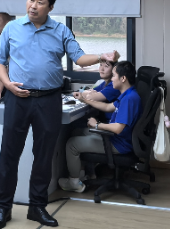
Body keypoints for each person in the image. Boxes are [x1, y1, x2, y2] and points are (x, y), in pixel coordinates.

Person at [0, 0, 118, 229]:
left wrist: (101, 56)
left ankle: (37, 207)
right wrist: (7, 84)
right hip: (17, 98)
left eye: (40, 2)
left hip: (48, 100)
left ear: (50, 7)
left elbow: (79, 58)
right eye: (31, 0)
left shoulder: (60, 30)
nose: (33, 6)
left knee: (44, 155)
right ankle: (2, 208)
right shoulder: (12, 28)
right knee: (9, 154)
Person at [59, 61, 141, 193]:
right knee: (78, 131)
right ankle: (83, 175)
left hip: (119, 144)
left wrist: (97, 125)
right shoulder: (127, 94)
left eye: (114, 75)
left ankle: (73, 182)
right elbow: (108, 107)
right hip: (119, 139)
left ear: (123, 78)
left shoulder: (129, 99)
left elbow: (118, 128)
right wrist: (85, 100)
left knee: (72, 144)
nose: (112, 79)